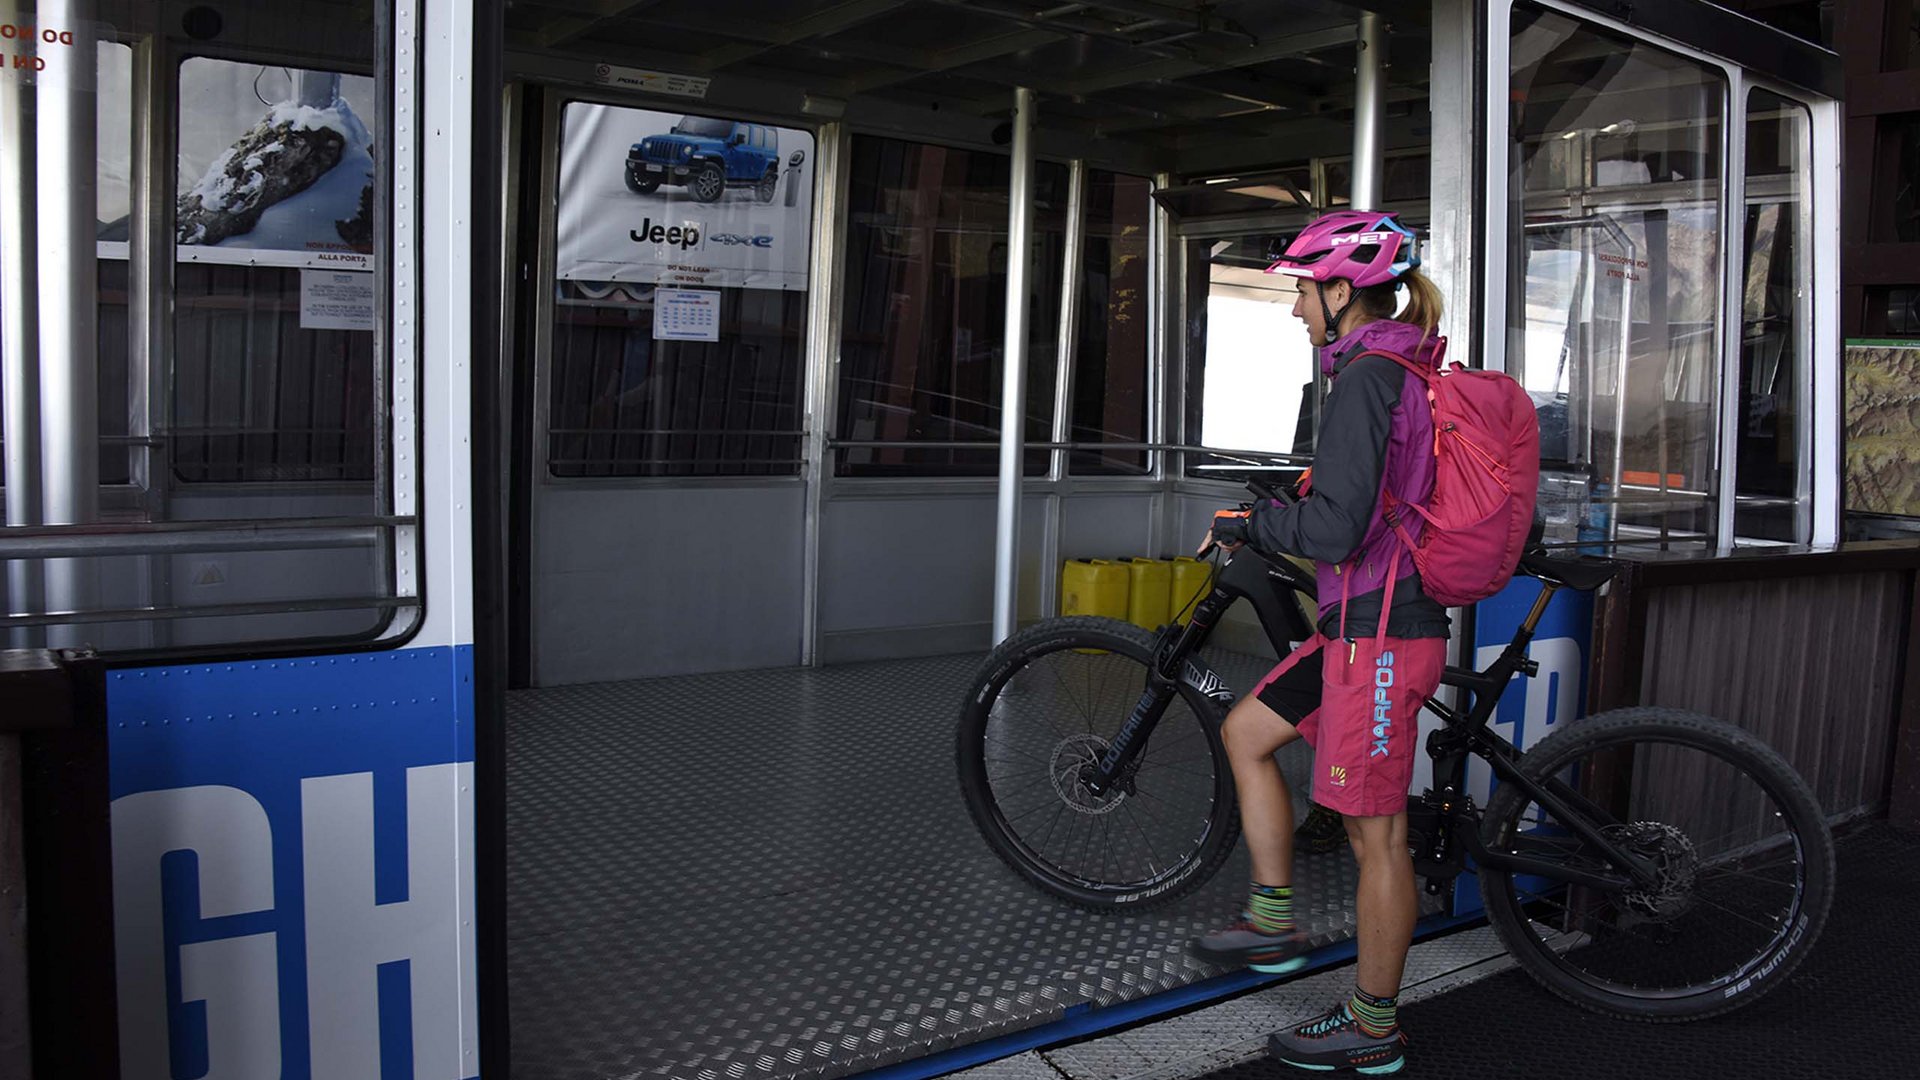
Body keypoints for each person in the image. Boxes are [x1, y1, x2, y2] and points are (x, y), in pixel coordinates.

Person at [1187, 210, 1450, 1076]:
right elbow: (1358, 498)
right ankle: (1273, 921)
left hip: (1383, 633)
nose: (1295, 307)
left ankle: (1373, 1027)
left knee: (1379, 839)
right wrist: (1278, 504)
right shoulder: (1387, 370)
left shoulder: (1370, 377)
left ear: (1341, 291)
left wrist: (1257, 522)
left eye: (1303, 289)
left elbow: (1335, 531)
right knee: (1247, 731)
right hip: (1355, 627)